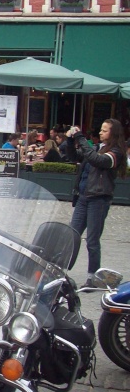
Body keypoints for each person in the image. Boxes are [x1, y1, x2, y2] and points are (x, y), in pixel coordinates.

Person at [68, 119, 127, 287]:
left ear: (113, 133)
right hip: (84, 198)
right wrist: (71, 141)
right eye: (101, 130)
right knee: (71, 236)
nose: (100, 133)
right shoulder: (96, 148)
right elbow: (74, 156)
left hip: (99, 199)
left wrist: (81, 138)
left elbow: (98, 161)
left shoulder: (116, 152)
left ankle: (93, 278)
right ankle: (58, 270)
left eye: (105, 130)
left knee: (92, 241)